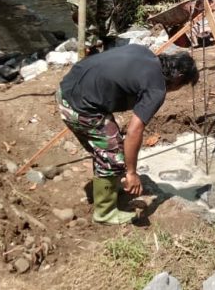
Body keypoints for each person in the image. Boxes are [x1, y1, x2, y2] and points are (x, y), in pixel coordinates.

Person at [57, 45, 199, 224]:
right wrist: (131, 173)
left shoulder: (144, 52)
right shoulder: (156, 88)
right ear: (178, 78)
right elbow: (134, 131)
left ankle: (109, 185)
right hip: (79, 106)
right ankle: (105, 213)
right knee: (113, 152)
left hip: (68, 88)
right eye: (183, 85)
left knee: (108, 148)